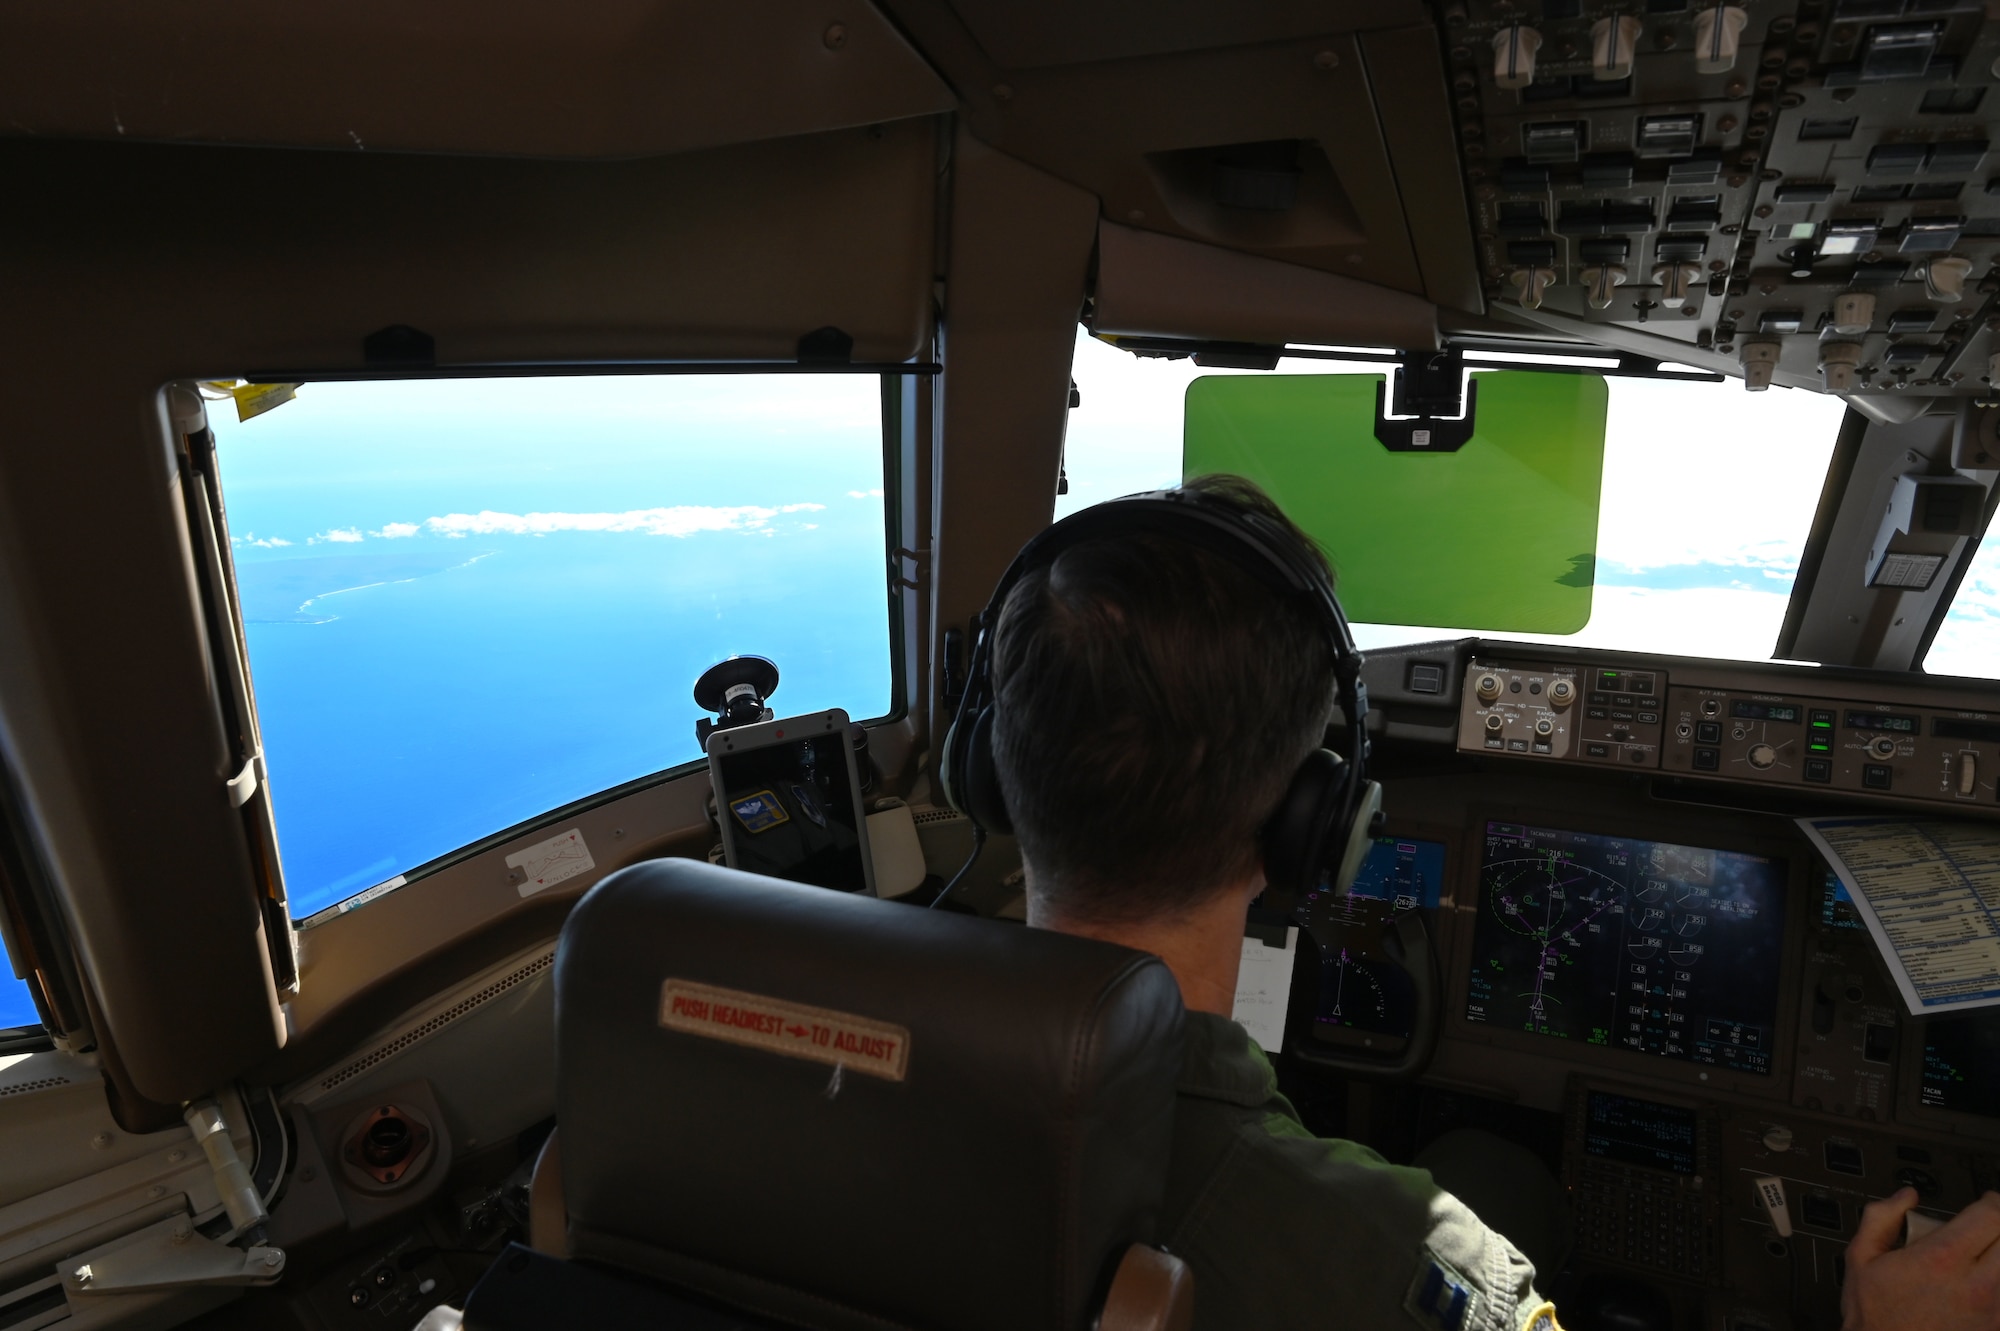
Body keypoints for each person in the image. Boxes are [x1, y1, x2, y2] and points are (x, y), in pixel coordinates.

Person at [984, 473, 1553, 1331]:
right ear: (1310, 823)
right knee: (1502, 1172)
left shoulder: (807, 1096)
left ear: (990, 770)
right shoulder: (1407, 1265)